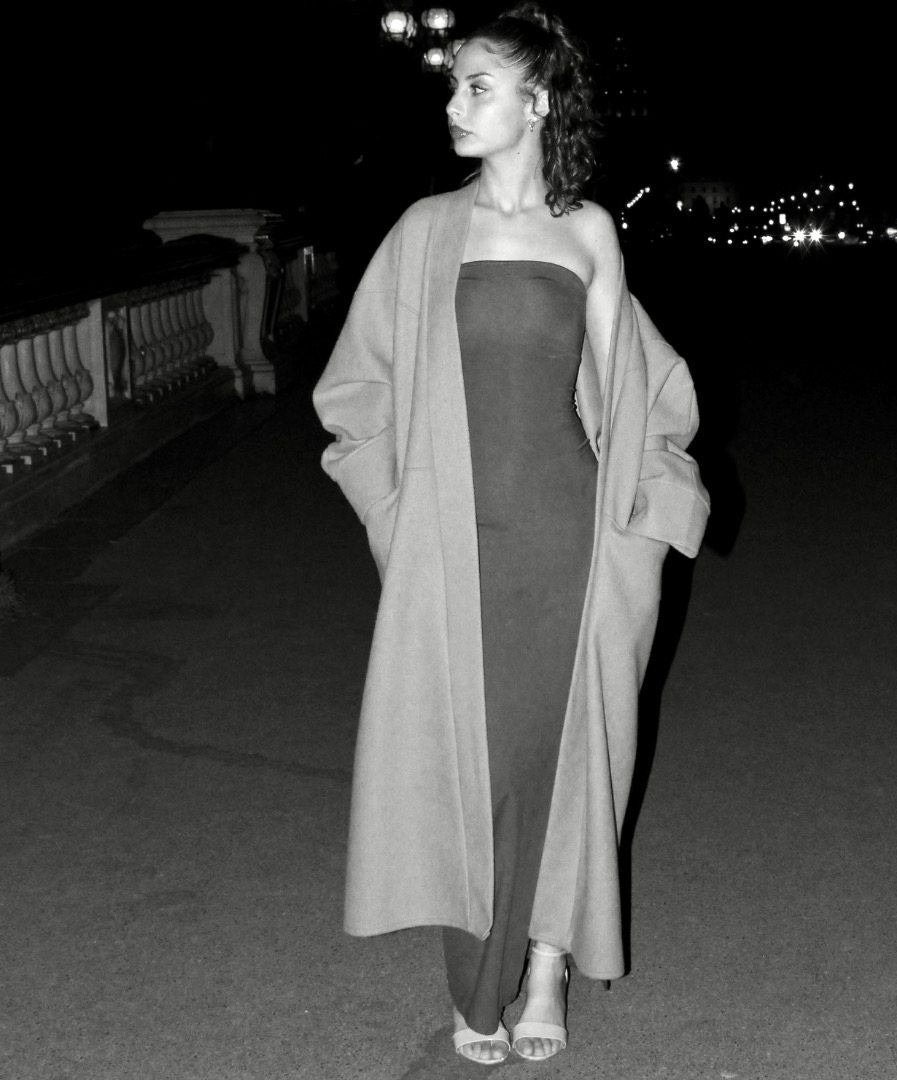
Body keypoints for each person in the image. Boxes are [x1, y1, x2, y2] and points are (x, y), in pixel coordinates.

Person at [313, 2, 709, 1065]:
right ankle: (476, 967)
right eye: (452, 85)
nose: (454, 103)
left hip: (568, 540)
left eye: (477, 86)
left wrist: (642, 530)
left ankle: (543, 963)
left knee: (560, 754)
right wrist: (396, 521)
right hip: (453, 545)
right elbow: (355, 395)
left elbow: (637, 394)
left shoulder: (588, 233)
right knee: (468, 761)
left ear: (536, 102)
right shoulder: (423, 231)